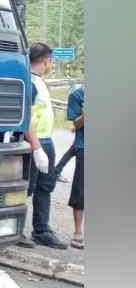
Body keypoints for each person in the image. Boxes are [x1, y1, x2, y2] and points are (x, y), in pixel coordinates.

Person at [23, 42, 68, 249]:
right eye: (51, 60)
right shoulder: (30, 83)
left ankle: (41, 230)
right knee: (25, 188)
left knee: (45, 187)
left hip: (46, 140)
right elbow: (28, 116)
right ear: (46, 60)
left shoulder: (40, 81)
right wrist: (36, 147)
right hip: (35, 141)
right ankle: (14, 230)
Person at [64, 85, 85, 248]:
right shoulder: (77, 95)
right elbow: (75, 125)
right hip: (84, 148)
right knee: (80, 191)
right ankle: (78, 232)